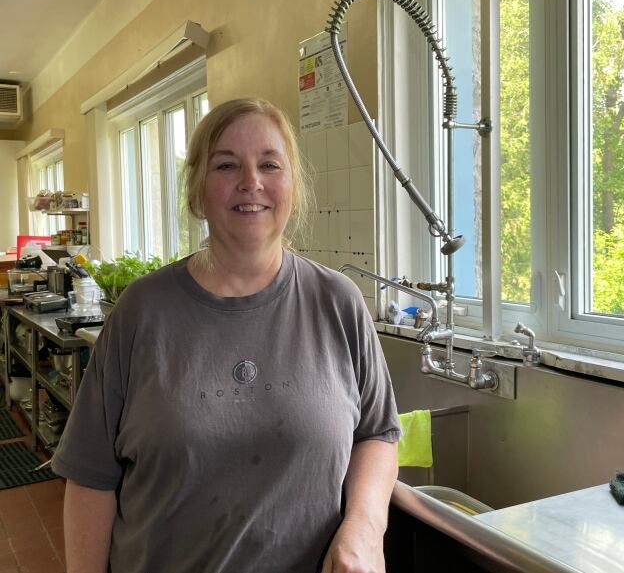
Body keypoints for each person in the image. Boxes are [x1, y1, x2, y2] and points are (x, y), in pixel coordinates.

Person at [52, 98, 401, 573]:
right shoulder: (141, 311)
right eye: (226, 164)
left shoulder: (338, 302)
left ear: (292, 188)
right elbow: (91, 476)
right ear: (198, 191)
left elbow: (377, 434)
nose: (251, 181)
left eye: (270, 164)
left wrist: (363, 528)